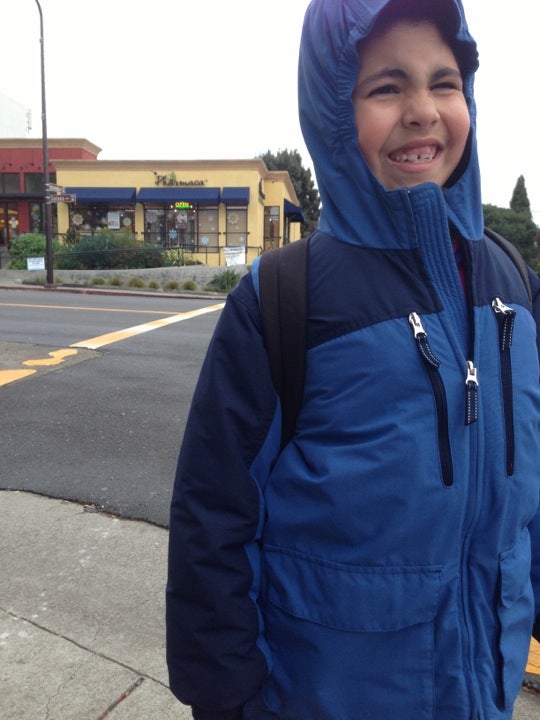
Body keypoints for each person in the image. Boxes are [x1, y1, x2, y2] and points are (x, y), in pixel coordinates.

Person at [166, 0, 540, 718]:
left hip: (482, 693)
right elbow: (213, 521)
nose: (423, 111)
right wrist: (228, 700)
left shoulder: (513, 285)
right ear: (335, 113)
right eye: (386, 87)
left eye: (444, 82)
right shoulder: (285, 299)